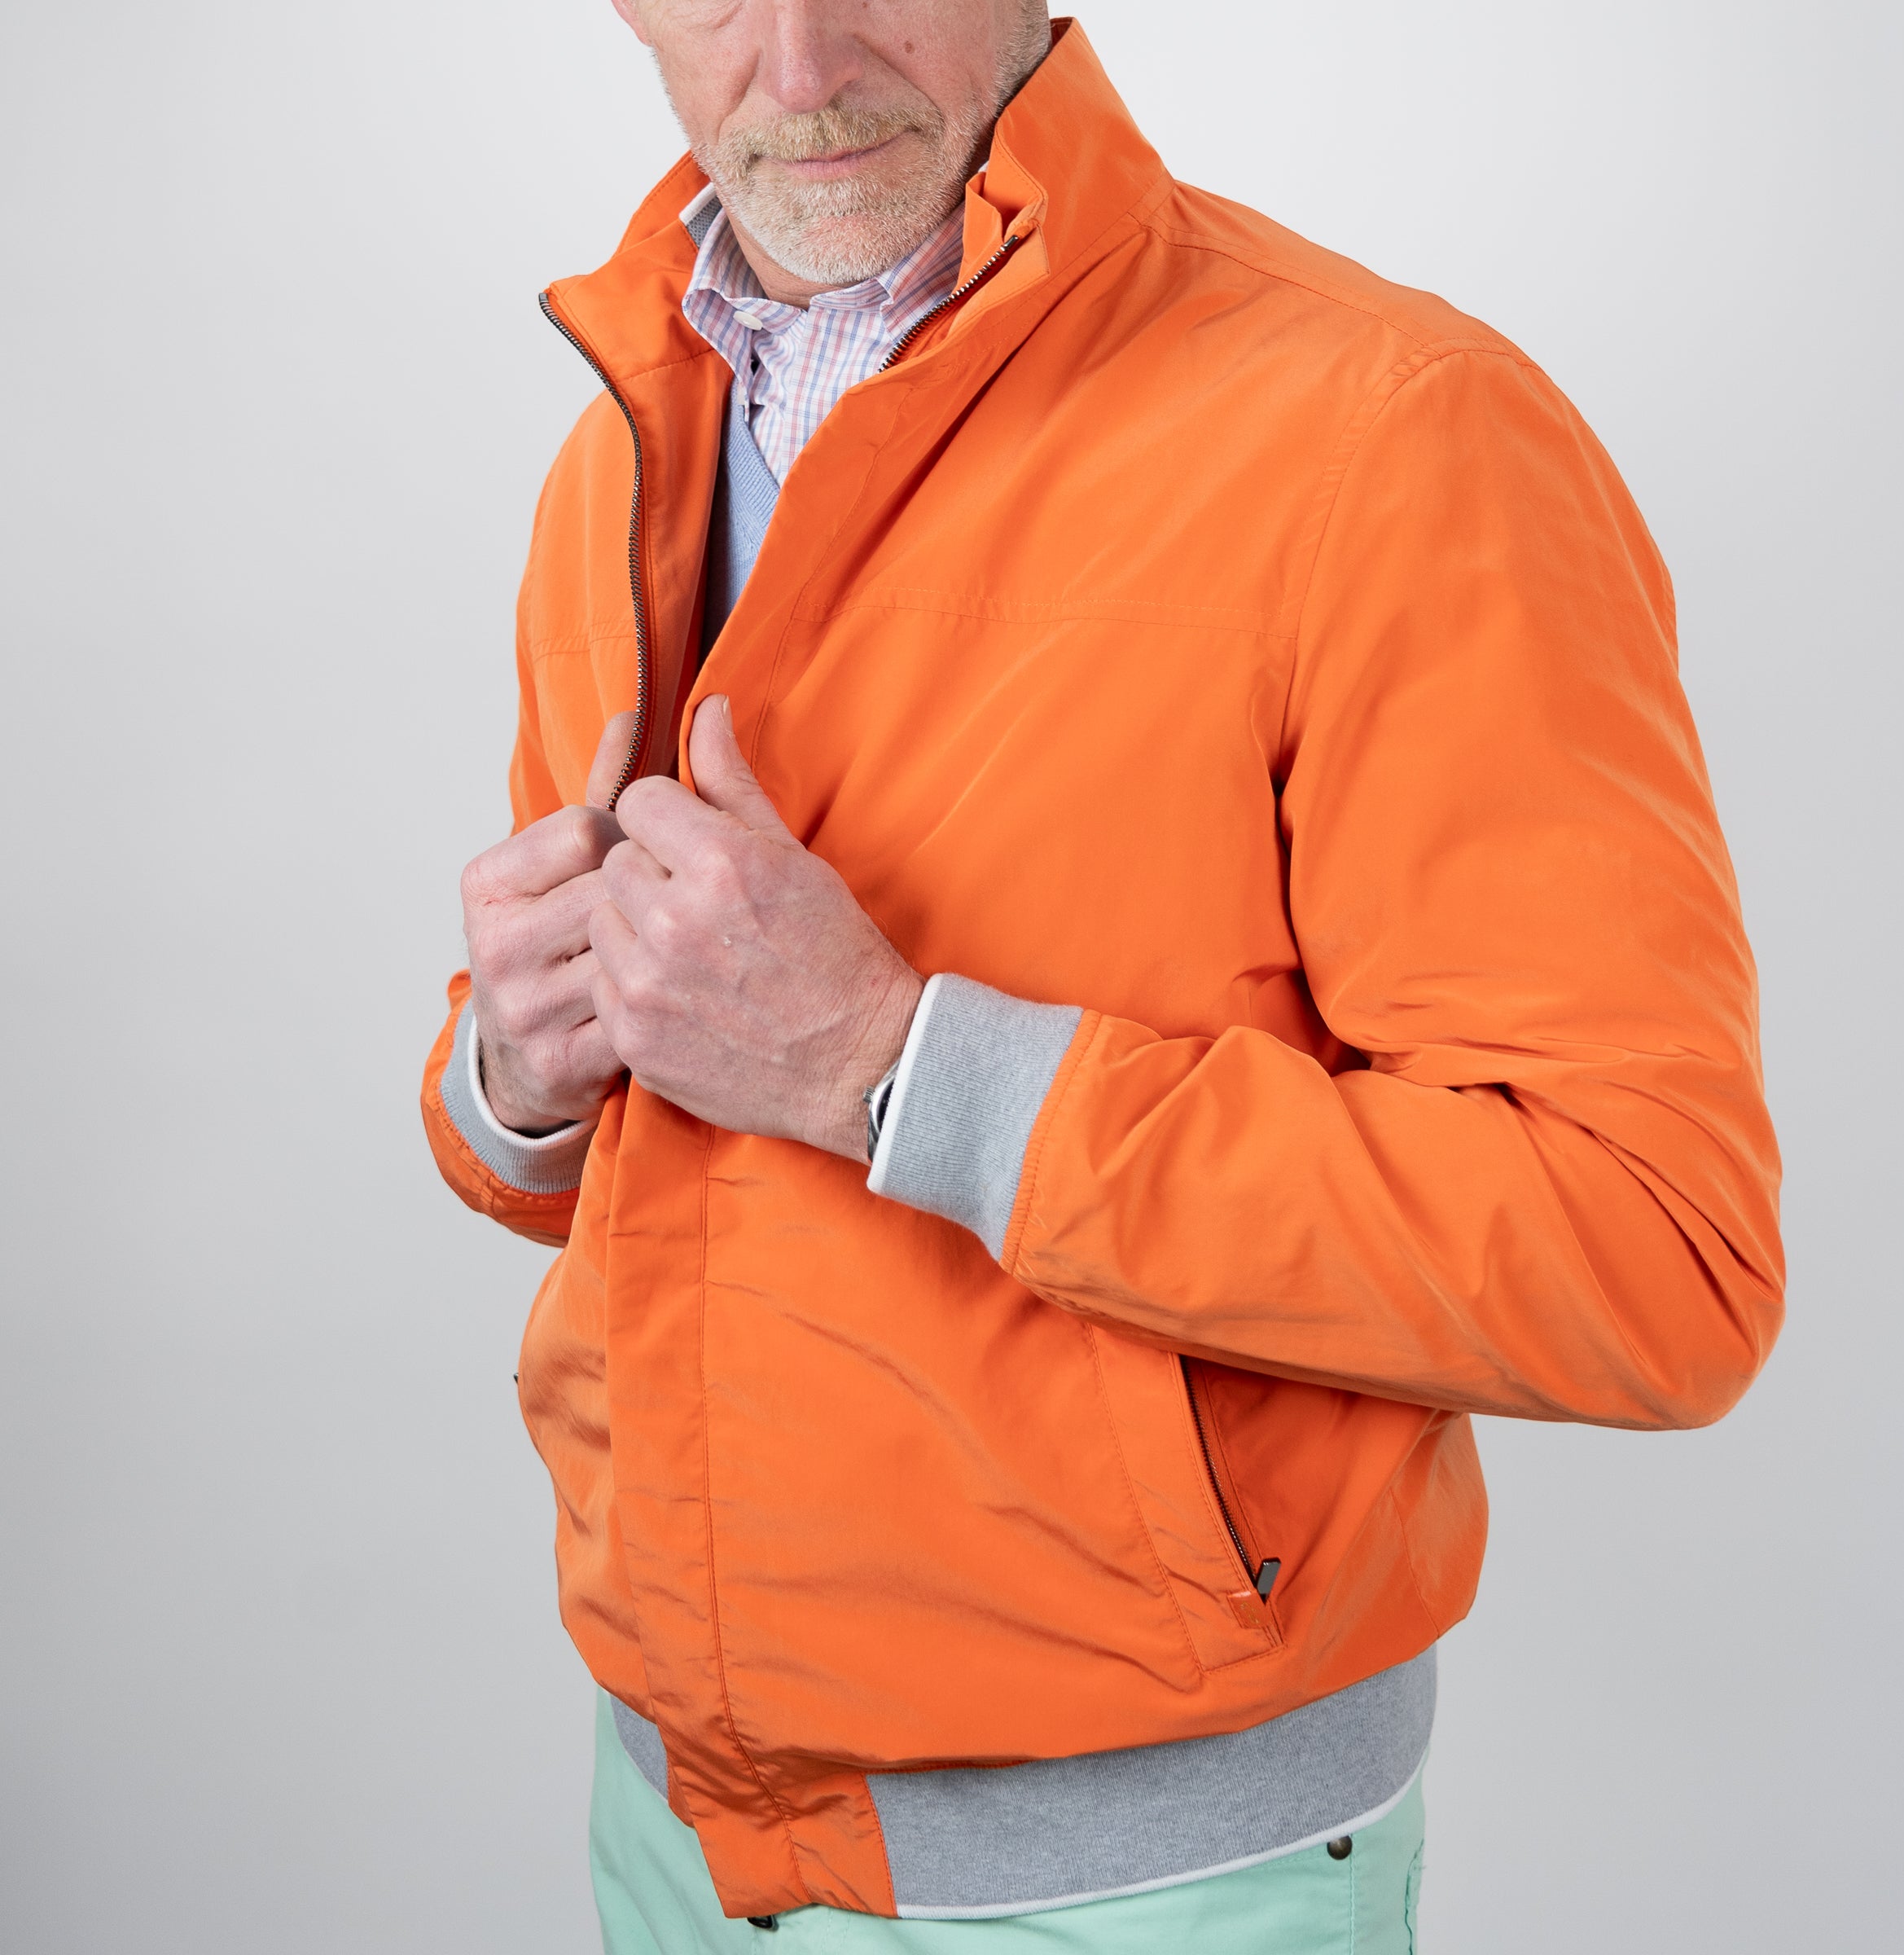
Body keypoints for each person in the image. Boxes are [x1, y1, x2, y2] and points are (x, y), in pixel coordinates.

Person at [420, 6, 1784, 1948]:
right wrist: (514, 1081)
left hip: (1152, 1884)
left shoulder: (1394, 429)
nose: (798, 66)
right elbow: (632, 1177)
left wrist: (900, 1070)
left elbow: (1655, 1256)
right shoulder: (626, 444)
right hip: (671, 1833)